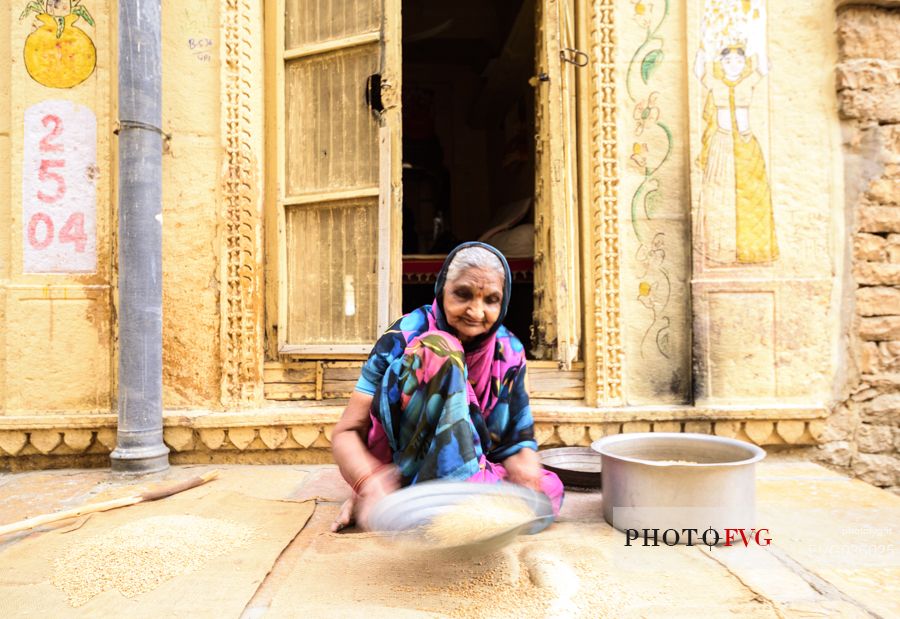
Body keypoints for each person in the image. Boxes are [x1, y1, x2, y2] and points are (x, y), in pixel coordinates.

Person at [330, 242, 564, 532]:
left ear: (503, 303)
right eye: (463, 294)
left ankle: (432, 504)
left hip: (474, 464)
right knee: (440, 349)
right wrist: (369, 482)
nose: (476, 313)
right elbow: (346, 432)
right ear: (442, 289)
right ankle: (451, 500)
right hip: (400, 467)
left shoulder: (509, 351)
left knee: (547, 489)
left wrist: (525, 464)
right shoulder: (402, 335)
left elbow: (516, 442)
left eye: (491, 300)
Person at [693, 44, 777, 265]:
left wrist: (756, 40)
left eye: (738, 61)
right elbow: (699, 72)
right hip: (722, 143)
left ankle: (752, 250)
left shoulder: (748, 81)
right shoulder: (715, 83)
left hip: (746, 142)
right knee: (719, 195)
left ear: (744, 63)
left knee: (751, 193)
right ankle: (721, 250)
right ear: (721, 64)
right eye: (728, 61)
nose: (733, 66)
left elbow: (765, 66)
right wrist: (703, 51)